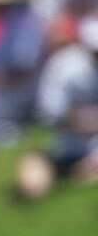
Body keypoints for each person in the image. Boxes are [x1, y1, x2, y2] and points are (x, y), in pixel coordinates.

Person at [15, 12, 98, 199]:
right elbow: (53, 112)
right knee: (36, 168)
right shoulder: (66, 67)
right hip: (73, 144)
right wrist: (90, 120)